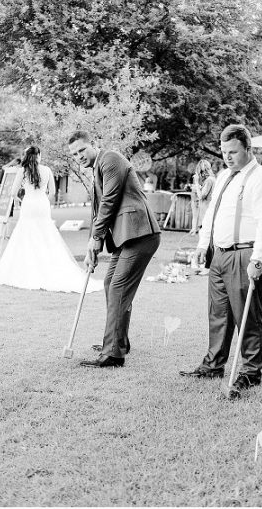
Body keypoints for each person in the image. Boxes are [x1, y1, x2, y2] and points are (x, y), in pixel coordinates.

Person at [180, 124, 262, 399]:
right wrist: (203, 245)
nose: (227, 157)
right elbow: (212, 213)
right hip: (220, 254)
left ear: (248, 148)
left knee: (247, 315)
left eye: (233, 151)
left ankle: (250, 371)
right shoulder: (224, 176)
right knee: (218, 313)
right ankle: (213, 365)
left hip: (245, 254)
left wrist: (258, 259)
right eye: (224, 151)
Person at [68, 131, 162, 368]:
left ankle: (113, 354)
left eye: (82, 150)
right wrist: (92, 247)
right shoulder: (96, 169)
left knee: (118, 287)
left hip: (139, 233)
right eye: (74, 154)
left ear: (93, 144)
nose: (79, 156)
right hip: (125, 237)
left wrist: (96, 238)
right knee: (111, 284)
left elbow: (109, 201)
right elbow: (98, 212)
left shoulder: (110, 159)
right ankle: (119, 341)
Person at [0, 146, 104, 294]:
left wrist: (20, 199)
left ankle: (28, 269)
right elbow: (52, 192)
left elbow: (13, 192)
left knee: (26, 234)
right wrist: (43, 200)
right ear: (39, 155)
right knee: (45, 233)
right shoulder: (47, 170)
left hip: (29, 204)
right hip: (42, 204)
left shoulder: (22, 171)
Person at [190, 159, 216, 235]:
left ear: (203, 171)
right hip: (208, 211)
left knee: (205, 235)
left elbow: (201, 196)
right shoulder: (212, 179)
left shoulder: (209, 180)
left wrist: (196, 182)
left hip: (207, 212)